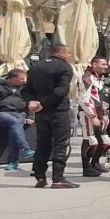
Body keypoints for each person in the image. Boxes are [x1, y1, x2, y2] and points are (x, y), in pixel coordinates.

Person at [25, 43, 78, 189]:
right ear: (61, 52)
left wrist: (34, 102)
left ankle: (40, 176)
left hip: (40, 112)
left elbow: (26, 89)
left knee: (42, 143)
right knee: (61, 143)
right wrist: (44, 103)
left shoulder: (35, 66)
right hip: (58, 110)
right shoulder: (64, 67)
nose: (69, 56)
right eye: (68, 53)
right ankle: (58, 178)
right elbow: (61, 90)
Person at [0, 69, 35, 171]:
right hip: (1, 113)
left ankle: (13, 162)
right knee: (15, 122)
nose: (24, 81)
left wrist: (30, 116)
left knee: (15, 125)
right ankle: (24, 149)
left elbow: (30, 102)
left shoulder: (25, 87)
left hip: (20, 113)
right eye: (21, 79)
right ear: (12, 78)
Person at [78, 56, 110, 177]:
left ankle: (95, 163)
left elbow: (103, 98)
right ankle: (86, 168)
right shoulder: (87, 78)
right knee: (90, 140)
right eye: (103, 64)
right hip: (87, 113)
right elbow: (83, 99)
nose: (106, 67)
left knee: (105, 141)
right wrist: (93, 116)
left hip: (100, 113)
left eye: (106, 64)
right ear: (94, 64)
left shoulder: (100, 78)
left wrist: (105, 114)